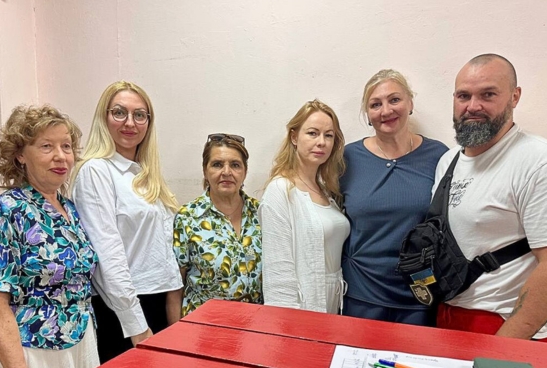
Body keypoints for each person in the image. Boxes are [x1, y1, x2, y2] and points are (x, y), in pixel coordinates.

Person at [434, 53, 547, 341]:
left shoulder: (543, 162)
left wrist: (505, 346)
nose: (473, 106)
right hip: (448, 315)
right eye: (463, 96)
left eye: (488, 94)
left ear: (515, 97)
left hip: (506, 327)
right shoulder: (448, 161)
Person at [0, 105, 99, 368]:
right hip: (31, 352)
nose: (61, 156)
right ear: (20, 155)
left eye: (66, 146)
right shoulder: (6, 210)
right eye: (46, 146)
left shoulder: (70, 208)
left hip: (79, 344)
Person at [70, 81, 182, 363]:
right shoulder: (96, 171)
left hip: (157, 301)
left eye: (139, 115)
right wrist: (136, 326)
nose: (130, 123)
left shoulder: (144, 174)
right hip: (122, 310)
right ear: (104, 117)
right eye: (119, 112)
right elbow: (107, 255)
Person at [340, 69, 448, 326]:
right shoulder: (347, 159)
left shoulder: (439, 156)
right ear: (368, 114)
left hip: (420, 296)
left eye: (394, 99)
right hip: (361, 293)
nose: (386, 110)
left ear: (410, 103)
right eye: (375, 104)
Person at [259, 99, 349, 313]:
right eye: (312, 133)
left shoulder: (326, 190)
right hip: (302, 307)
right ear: (294, 137)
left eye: (329, 135)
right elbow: (278, 272)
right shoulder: (281, 190)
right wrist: (287, 321)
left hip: (333, 305)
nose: (322, 142)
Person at [172, 134, 262, 316]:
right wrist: (175, 331)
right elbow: (174, 288)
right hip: (202, 325)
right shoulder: (188, 217)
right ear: (205, 171)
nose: (226, 172)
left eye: (235, 165)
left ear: (245, 172)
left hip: (254, 323)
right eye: (217, 164)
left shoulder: (260, 213)